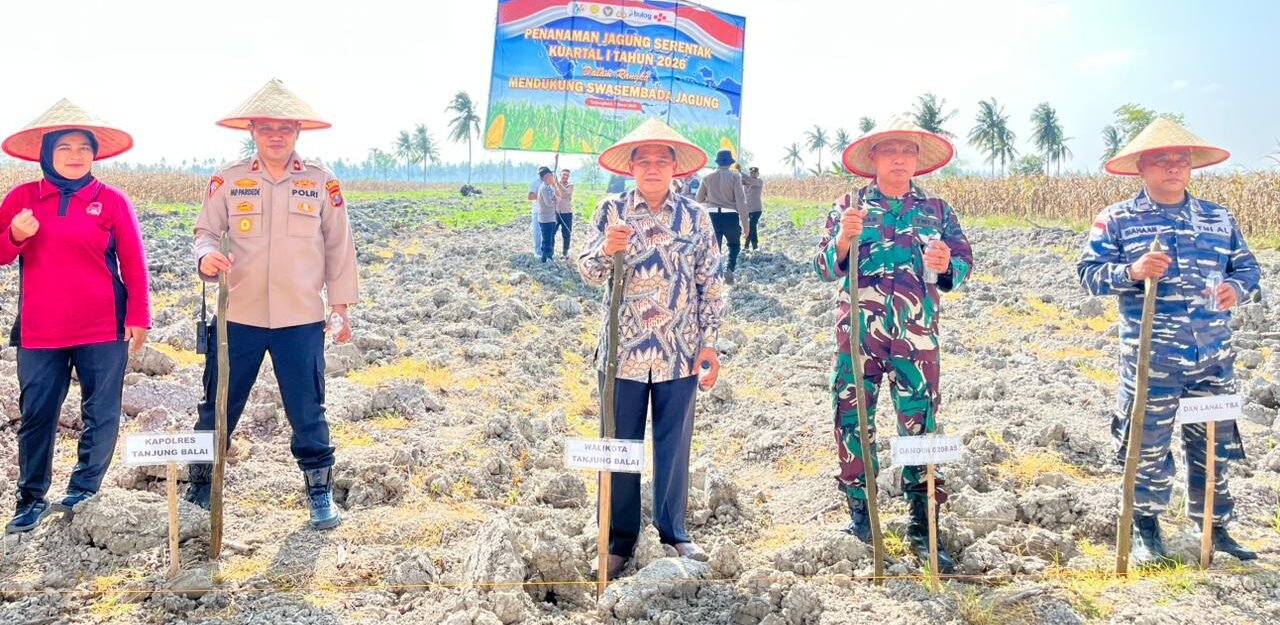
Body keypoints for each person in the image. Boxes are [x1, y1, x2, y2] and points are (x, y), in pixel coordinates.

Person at [1078, 119, 1260, 565]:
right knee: (1147, 443)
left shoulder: (1219, 218)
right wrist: (1132, 272)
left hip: (1213, 358)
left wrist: (1236, 290)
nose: (1173, 168)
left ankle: (1215, 528)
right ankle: (1146, 529)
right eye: (1162, 160)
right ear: (1142, 168)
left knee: (1213, 443)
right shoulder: (1118, 219)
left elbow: (1249, 270)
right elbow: (1088, 276)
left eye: (1181, 161)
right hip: (1151, 360)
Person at [188, 79, 359, 530]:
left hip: (300, 318)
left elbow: (340, 247)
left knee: (307, 408)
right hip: (237, 317)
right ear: (252, 131)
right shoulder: (228, 180)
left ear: (299, 131)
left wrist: (340, 306)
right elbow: (204, 232)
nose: (276, 136)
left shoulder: (322, 183)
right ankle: (201, 485)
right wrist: (206, 257)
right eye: (267, 128)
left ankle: (319, 489)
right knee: (218, 405)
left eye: (285, 127)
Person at [813, 116, 973, 573]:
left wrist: (945, 266)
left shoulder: (938, 211)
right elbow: (824, 267)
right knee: (851, 418)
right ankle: (861, 514)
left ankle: (923, 523)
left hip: (916, 340)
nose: (900, 158)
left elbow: (960, 266)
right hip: (857, 338)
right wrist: (844, 239)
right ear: (874, 159)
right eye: (890, 150)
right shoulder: (849, 207)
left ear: (917, 161)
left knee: (920, 425)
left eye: (908, 151)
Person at [577, 118, 725, 579]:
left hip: (679, 350)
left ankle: (673, 530)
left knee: (673, 443)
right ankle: (618, 538)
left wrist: (709, 342)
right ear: (632, 167)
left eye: (664, 160)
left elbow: (711, 281)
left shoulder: (695, 216)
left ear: (676, 168)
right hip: (622, 352)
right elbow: (586, 269)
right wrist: (607, 248)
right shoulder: (612, 210)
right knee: (619, 445)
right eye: (646, 160)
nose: (655, 168)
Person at [0, 100, 151, 533]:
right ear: (47, 153)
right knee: (37, 414)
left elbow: (134, 263)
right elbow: (1, 253)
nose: (74, 155)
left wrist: (138, 316)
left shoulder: (111, 201)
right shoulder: (23, 198)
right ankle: (30, 498)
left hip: (103, 326)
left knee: (101, 410)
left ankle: (84, 489)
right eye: (64, 147)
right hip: (39, 329)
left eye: (83, 148)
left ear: (94, 155)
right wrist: (15, 234)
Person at [696, 150, 749, 283]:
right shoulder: (735, 177)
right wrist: (746, 225)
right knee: (734, 245)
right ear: (730, 162)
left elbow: (698, 198)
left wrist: (711, 196)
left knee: (715, 247)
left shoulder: (707, 178)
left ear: (717, 162)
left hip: (712, 215)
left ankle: (715, 274)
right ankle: (729, 268)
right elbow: (741, 201)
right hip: (730, 216)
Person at [536, 167, 558, 262]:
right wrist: (556, 200)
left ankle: (548, 256)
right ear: (544, 178)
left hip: (551, 217)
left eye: (551, 176)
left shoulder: (548, 186)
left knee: (550, 238)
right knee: (547, 240)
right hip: (546, 218)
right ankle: (546, 257)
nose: (551, 178)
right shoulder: (544, 188)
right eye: (549, 176)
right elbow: (549, 203)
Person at [554, 168, 575, 259]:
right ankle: (550, 251)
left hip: (567, 213)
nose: (565, 176)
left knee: (566, 233)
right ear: (560, 175)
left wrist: (558, 184)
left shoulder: (570, 185)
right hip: (556, 212)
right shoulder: (554, 185)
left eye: (567, 175)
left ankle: (565, 252)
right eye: (564, 174)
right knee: (552, 232)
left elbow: (566, 194)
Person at [742, 166, 764, 252]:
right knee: (752, 227)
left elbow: (750, 180)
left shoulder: (758, 181)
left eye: (754, 173)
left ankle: (746, 246)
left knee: (751, 226)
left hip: (756, 209)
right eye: (751, 173)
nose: (752, 174)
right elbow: (740, 180)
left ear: (758, 174)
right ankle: (755, 246)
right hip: (748, 209)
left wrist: (740, 172)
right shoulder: (746, 182)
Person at [529, 173, 544, 255]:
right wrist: (541, 194)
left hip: (547, 213)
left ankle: (545, 250)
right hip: (537, 211)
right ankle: (537, 251)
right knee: (537, 232)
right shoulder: (535, 183)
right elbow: (530, 196)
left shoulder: (550, 183)